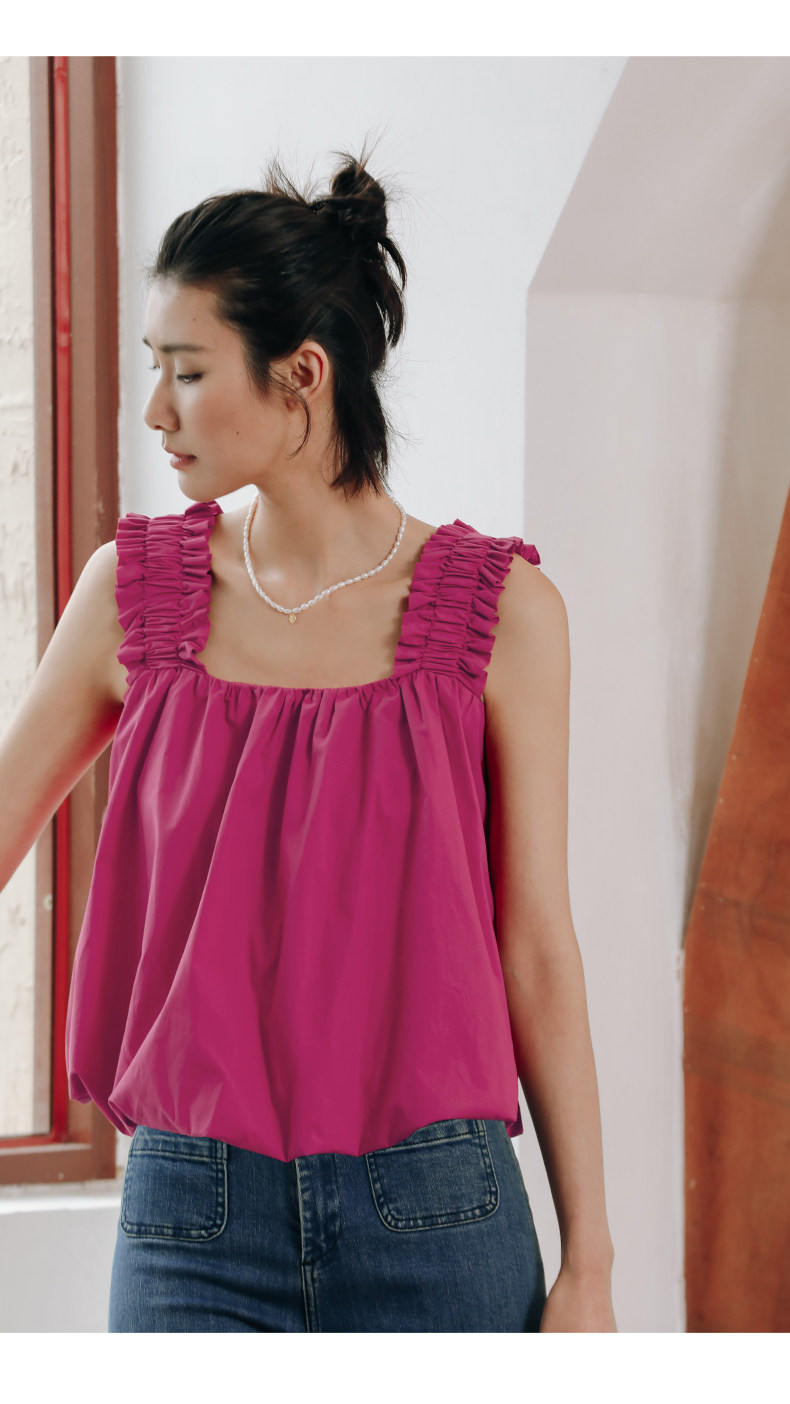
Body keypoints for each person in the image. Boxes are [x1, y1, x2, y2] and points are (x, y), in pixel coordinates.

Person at [0, 139, 616, 1332]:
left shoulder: (502, 614)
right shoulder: (132, 594)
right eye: (153, 369)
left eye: (187, 372)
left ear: (302, 377)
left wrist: (588, 1261)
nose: (155, 410)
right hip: (193, 1216)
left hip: (440, 1210)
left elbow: (537, 942)